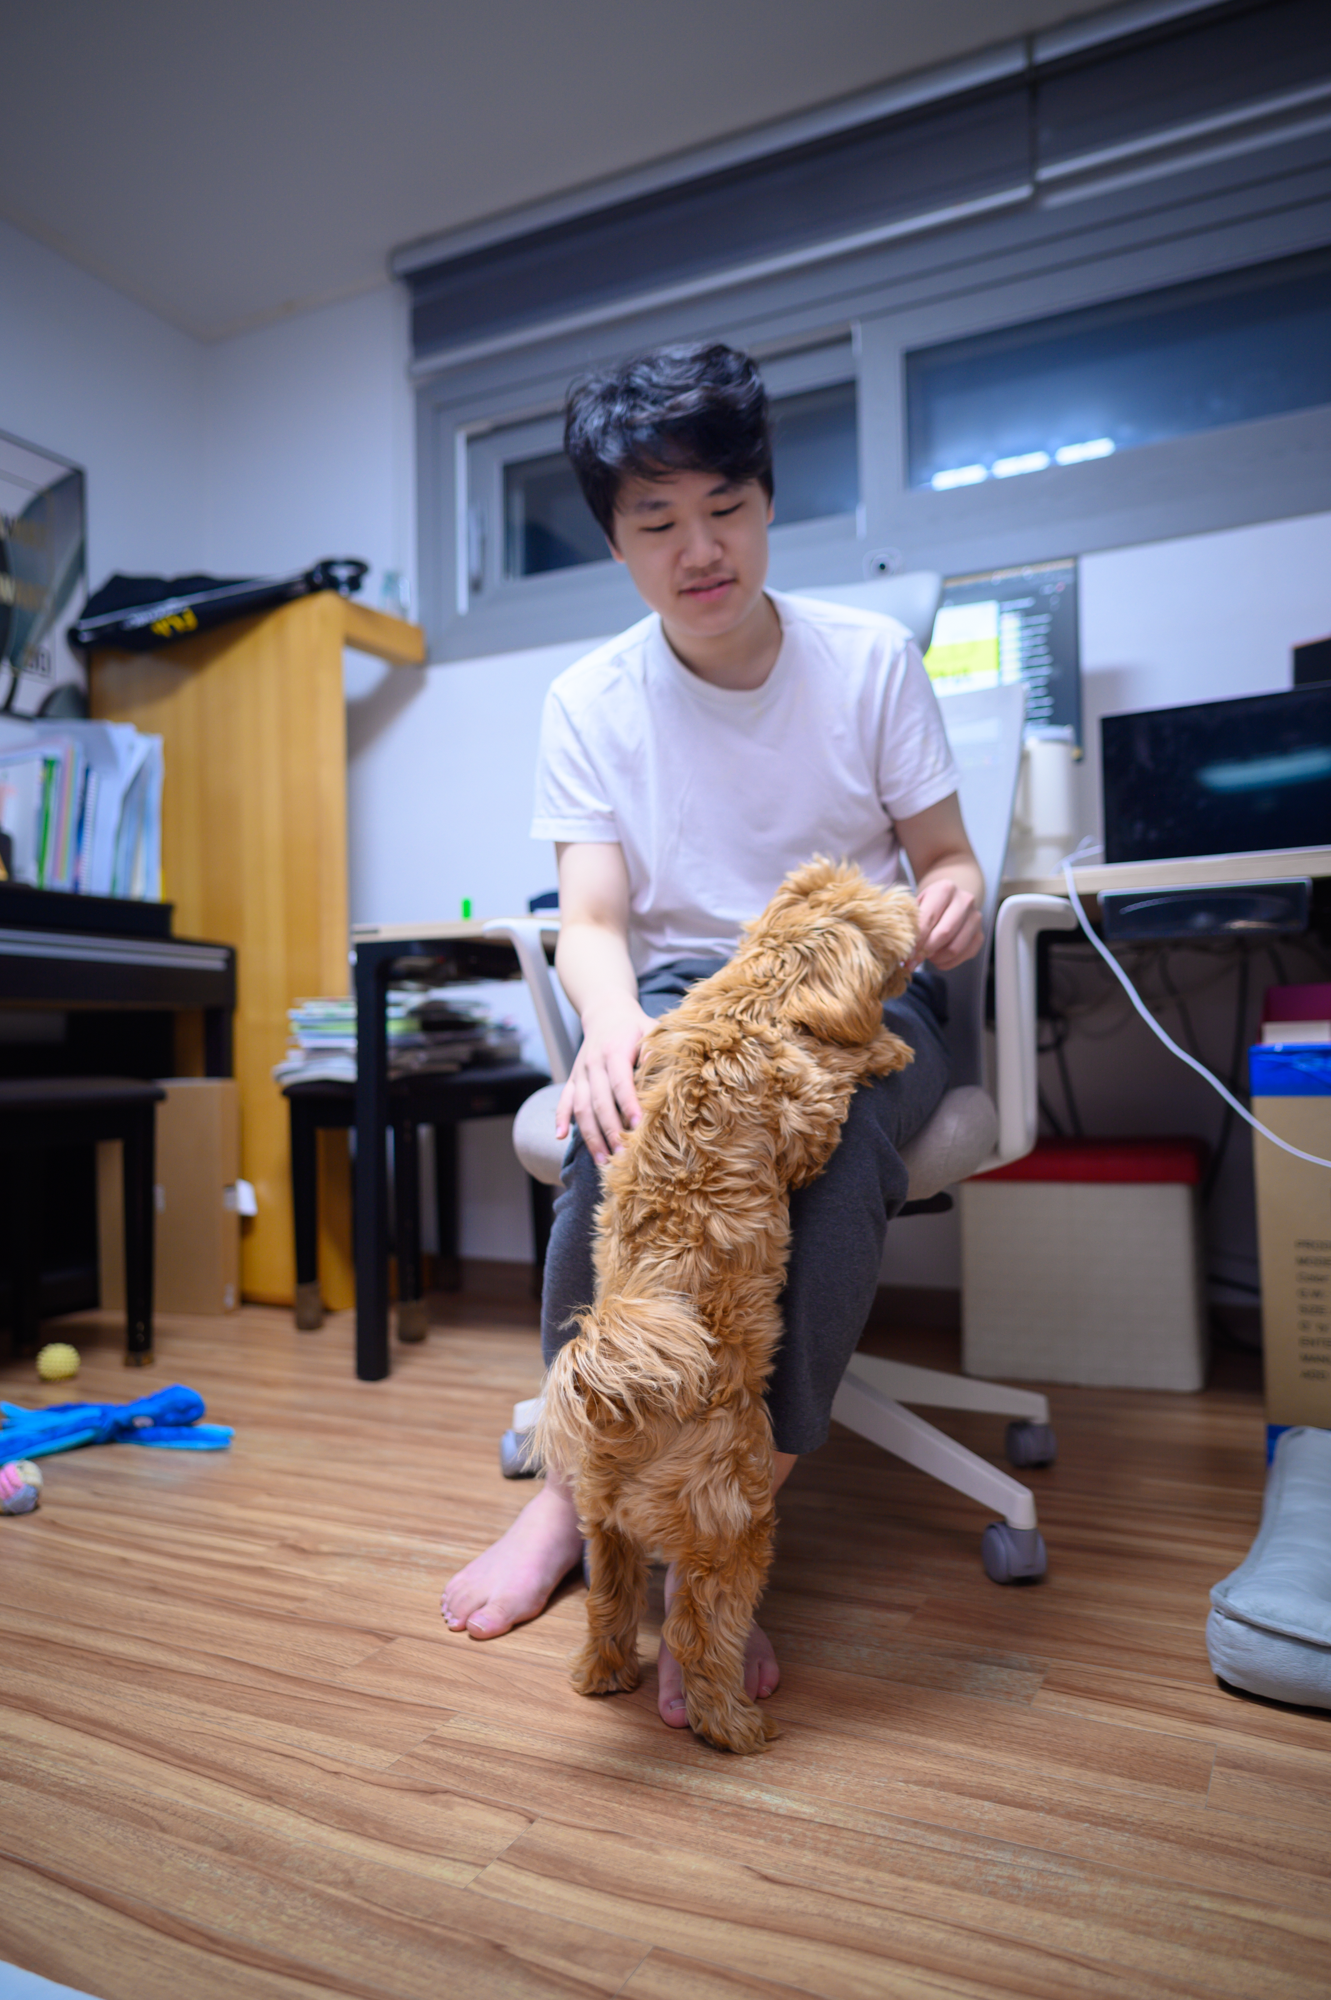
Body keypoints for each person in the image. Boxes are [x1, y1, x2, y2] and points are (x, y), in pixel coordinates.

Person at [441, 342, 984, 1729]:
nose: (701, 549)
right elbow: (591, 919)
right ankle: (571, 1500)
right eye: (658, 521)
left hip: (857, 983)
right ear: (614, 540)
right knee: (622, 1128)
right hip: (686, 989)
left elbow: (946, 858)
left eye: (726, 507)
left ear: (768, 501)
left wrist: (953, 896)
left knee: (836, 1147)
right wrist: (612, 1023)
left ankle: (717, 1532)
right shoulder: (589, 701)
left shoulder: (868, 660)